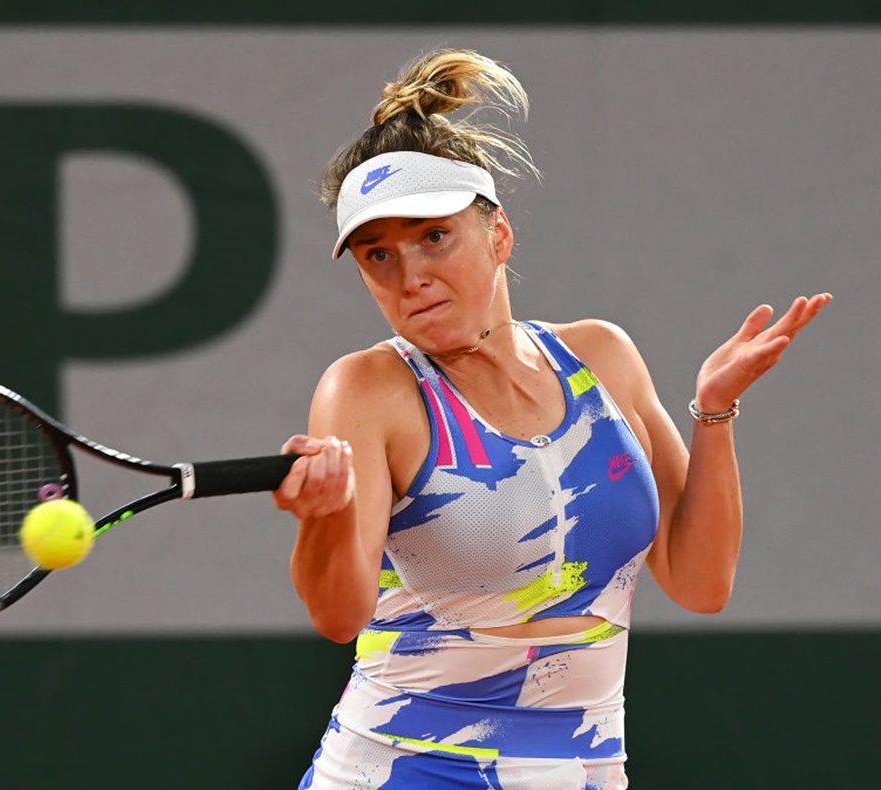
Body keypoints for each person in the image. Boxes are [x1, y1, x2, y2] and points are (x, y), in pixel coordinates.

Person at [272, 48, 831, 790]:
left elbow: (701, 583)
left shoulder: (601, 355)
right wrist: (319, 518)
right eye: (379, 256)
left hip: (587, 771)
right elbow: (340, 615)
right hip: (407, 772)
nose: (411, 278)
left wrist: (715, 411)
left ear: (498, 235)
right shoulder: (368, 390)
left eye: (434, 237)